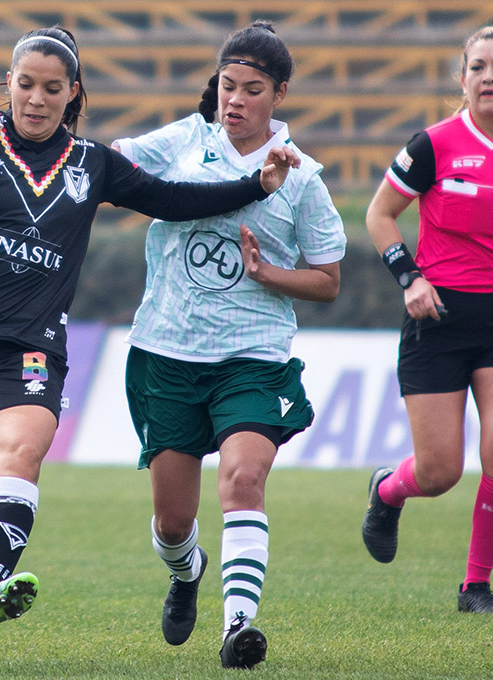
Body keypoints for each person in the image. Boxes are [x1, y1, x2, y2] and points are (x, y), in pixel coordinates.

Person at [0, 26, 299, 644]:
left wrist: (256, 185)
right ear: (9, 84)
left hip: (26, 348)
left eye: (52, 89)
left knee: (19, 455)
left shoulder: (93, 163)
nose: (36, 99)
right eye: (25, 85)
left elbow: (173, 197)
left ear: (72, 93)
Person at [113, 22, 345, 669]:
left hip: (252, 356)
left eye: (251, 89)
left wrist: (270, 275)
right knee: (171, 525)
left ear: (280, 94)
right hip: (167, 353)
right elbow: (109, 167)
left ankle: (237, 626)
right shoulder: (184, 142)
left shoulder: (303, 179)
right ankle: (186, 573)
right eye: (226, 86)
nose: (234, 100)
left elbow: (328, 281)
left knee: (244, 479)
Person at [360, 26, 493, 615]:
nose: (489, 78)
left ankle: (476, 588)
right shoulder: (433, 144)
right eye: (477, 67)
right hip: (438, 316)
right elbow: (380, 215)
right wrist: (410, 278)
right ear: (464, 79)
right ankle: (387, 489)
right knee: (440, 470)